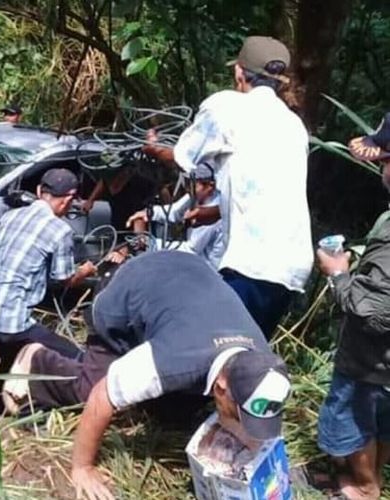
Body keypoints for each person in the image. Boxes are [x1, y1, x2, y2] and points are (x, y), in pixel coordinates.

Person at [1, 251, 291, 499]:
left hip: (184, 278)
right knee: (90, 390)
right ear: (221, 385)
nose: (241, 423)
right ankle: (37, 360)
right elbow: (103, 397)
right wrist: (82, 468)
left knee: (173, 412)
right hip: (126, 294)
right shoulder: (177, 360)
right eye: (239, 414)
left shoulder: (261, 358)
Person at [144, 36, 314, 339]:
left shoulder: (227, 107)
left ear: (239, 72)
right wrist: (214, 212)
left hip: (252, 265)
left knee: (207, 351)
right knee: (245, 356)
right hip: (291, 268)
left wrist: (155, 150)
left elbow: (185, 158)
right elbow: (266, 191)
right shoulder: (293, 126)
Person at [0, 168, 97, 413]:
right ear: (68, 198)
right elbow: (64, 279)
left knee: (10, 356)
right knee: (74, 358)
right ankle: (36, 411)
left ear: (40, 191)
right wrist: (84, 271)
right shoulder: (59, 230)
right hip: (12, 318)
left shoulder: (11, 216)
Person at [315, 119, 390, 500]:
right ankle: (369, 476)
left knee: (356, 423)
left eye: (386, 161)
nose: (381, 169)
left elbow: (373, 313)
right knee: (380, 425)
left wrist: (338, 274)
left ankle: (363, 488)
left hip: (370, 363)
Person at [126, 163, 225, 269]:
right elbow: (174, 212)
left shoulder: (212, 212)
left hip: (209, 269)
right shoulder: (197, 195)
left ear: (210, 186)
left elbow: (191, 251)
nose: (188, 190)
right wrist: (148, 213)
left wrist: (150, 243)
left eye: (193, 185)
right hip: (195, 263)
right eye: (188, 184)